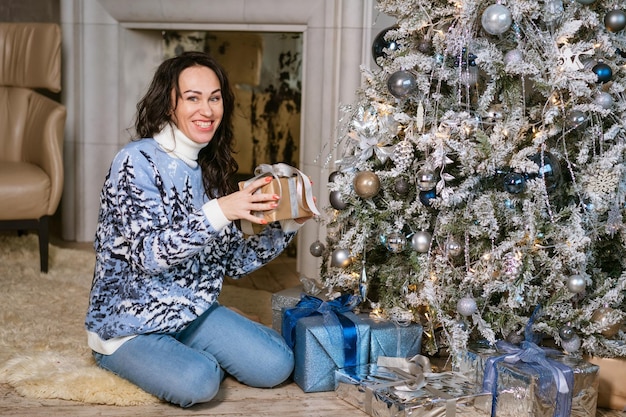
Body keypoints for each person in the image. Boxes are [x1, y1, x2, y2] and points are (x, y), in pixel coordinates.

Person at [85, 51, 313, 407]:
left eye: (214, 97)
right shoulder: (135, 161)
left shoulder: (209, 167)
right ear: (169, 104)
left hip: (192, 311)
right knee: (199, 381)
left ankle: (197, 339)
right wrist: (221, 210)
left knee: (276, 365)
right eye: (192, 98)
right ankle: (126, 355)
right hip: (131, 324)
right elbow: (149, 255)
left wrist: (287, 226)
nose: (206, 110)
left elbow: (233, 263)